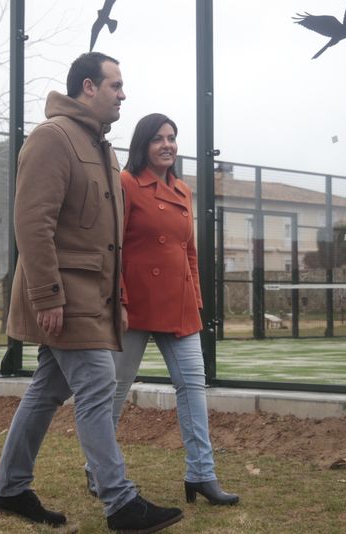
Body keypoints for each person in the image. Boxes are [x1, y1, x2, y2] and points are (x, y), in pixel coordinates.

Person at [0, 53, 183, 533]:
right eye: (116, 85)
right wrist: (48, 294)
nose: (123, 94)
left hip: (92, 296)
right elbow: (32, 223)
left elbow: (109, 235)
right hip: (64, 294)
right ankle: (120, 503)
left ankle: (12, 489)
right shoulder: (51, 139)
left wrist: (117, 297)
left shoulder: (101, 146)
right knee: (98, 385)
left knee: (47, 389)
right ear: (88, 87)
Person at [87, 113, 239, 506]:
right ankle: (98, 470)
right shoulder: (125, 184)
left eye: (172, 138)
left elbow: (189, 250)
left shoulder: (184, 191)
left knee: (193, 388)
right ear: (144, 145)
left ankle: (202, 474)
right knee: (115, 391)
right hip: (134, 305)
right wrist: (118, 297)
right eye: (158, 139)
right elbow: (112, 247)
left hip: (180, 306)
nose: (167, 144)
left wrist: (197, 299)